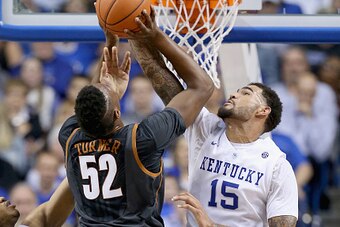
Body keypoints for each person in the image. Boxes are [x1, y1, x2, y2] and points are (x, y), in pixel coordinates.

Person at [128, 10, 298, 227]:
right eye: (237, 90)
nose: (234, 94)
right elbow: (161, 79)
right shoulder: (207, 127)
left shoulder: (276, 165)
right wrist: (138, 33)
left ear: (263, 111)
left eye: (246, 93)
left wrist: (211, 225)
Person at [56, 6, 213, 226]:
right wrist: (155, 36)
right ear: (117, 112)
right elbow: (203, 87)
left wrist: (110, 46)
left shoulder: (70, 137)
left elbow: (90, 105)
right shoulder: (141, 141)